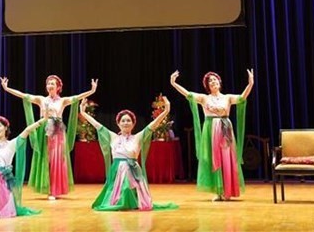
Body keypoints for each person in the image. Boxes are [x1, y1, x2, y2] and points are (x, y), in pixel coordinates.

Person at [0, 75, 98, 200]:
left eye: (52, 83)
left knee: (56, 158)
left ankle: (55, 190)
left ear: (58, 87)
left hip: (57, 130)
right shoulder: (41, 99)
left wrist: (92, 91)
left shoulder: (62, 101)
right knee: (45, 158)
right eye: (48, 83)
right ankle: (47, 188)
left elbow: (77, 97)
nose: (50, 85)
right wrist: (7, 88)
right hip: (44, 130)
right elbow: (23, 95)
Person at [78, 98, 179, 211]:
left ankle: (134, 200)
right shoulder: (112, 136)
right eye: (123, 121)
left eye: (128, 120)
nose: (126, 123)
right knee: (123, 189)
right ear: (118, 123)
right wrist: (82, 112)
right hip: (117, 171)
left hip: (133, 170)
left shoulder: (138, 137)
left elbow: (153, 125)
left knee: (128, 186)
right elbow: (97, 125)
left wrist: (166, 110)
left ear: (133, 123)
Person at [170, 69, 254, 201]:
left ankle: (228, 190)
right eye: (210, 81)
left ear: (219, 83)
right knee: (215, 159)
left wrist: (250, 84)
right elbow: (188, 95)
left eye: (215, 79)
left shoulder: (227, 97)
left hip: (225, 128)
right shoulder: (204, 98)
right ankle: (218, 191)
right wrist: (174, 84)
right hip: (211, 129)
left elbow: (242, 97)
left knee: (226, 158)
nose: (213, 81)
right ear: (207, 86)